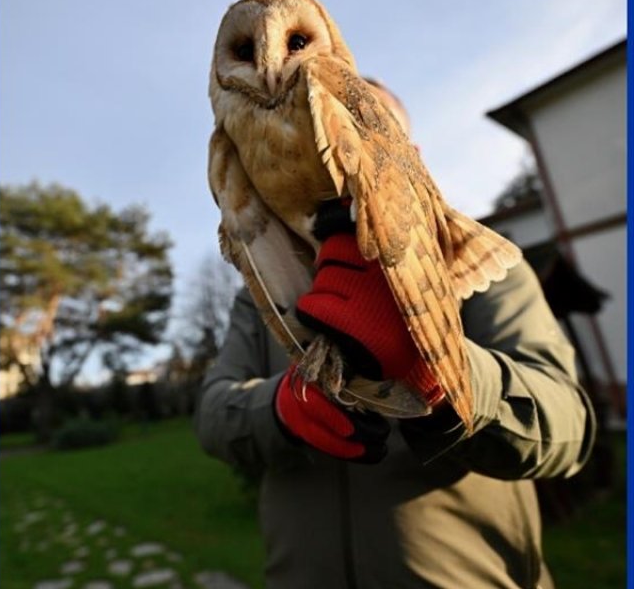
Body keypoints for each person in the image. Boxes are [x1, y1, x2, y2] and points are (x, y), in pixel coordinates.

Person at [193, 81, 596, 588]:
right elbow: (212, 413)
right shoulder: (259, 289)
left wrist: (439, 369)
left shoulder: (480, 261)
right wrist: (283, 410)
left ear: (413, 157)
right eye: (309, 137)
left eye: (362, 131)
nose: (334, 154)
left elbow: (568, 428)